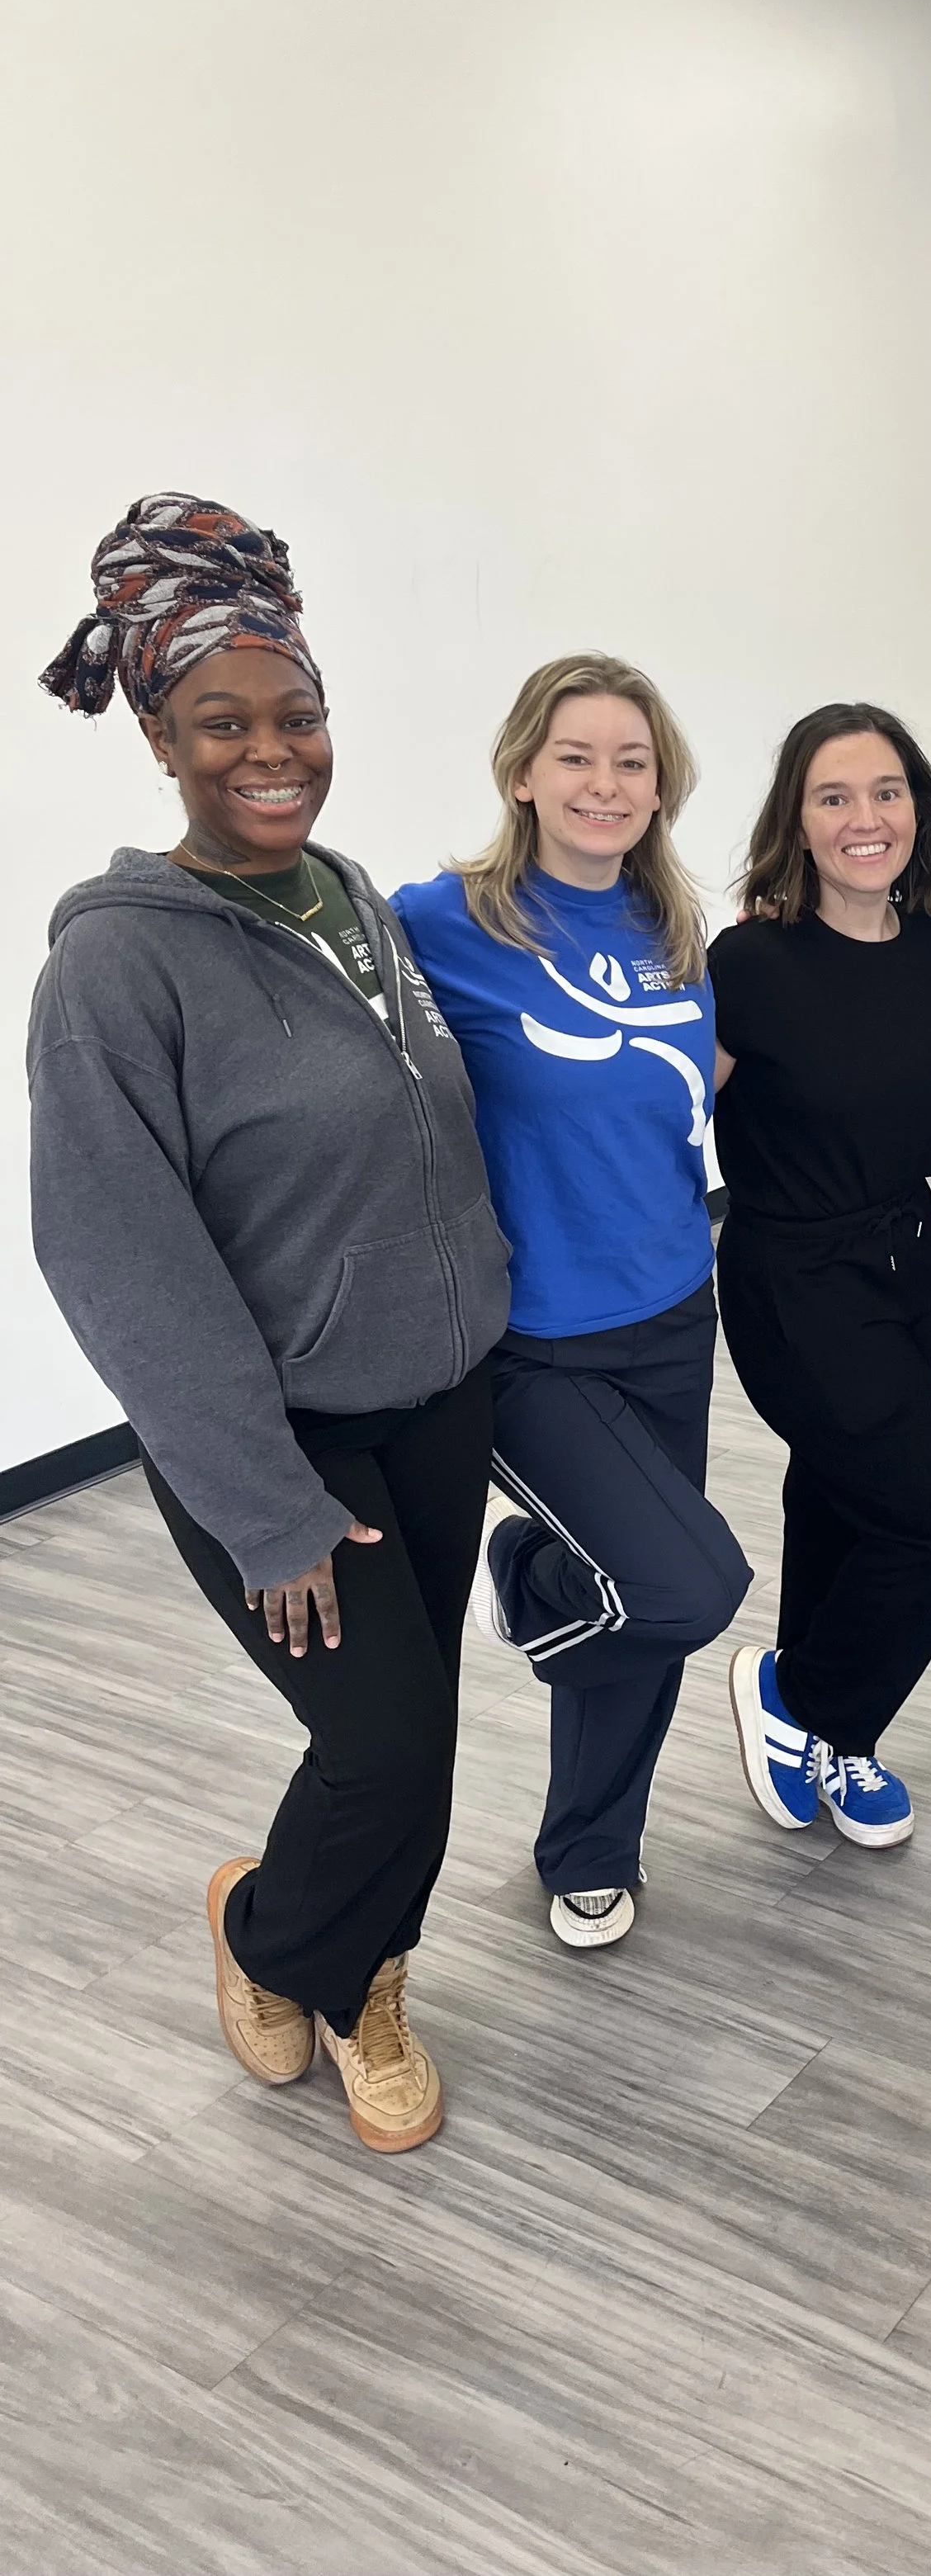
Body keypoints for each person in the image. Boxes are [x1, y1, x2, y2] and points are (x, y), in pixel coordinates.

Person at [28, 494, 510, 2152]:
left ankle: (369, 1975)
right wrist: (262, 1503)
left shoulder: (349, 895)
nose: (270, 750)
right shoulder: (115, 969)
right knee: (383, 1744)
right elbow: (116, 1257)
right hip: (282, 1440)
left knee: (417, 1730)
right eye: (223, 721)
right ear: (157, 731)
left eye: (295, 714)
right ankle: (269, 1936)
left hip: (441, 1395)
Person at [390, 655, 749, 1953]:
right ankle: (539, 1572)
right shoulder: (439, 923)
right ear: (523, 773)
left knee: (647, 1602)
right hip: (534, 1341)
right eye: (579, 757)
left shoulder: (675, 936)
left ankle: (592, 1846)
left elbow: (687, 1094)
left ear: (663, 788)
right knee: (685, 1588)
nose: (607, 785)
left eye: (632, 763)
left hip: (674, 1309)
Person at [712, 705, 931, 1846]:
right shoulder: (752, 961)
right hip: (792, 1277)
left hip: (900, 1261)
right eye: (833, 796)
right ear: (798, 819)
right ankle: (800, 1696)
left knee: (838, 1495)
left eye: (886, 792)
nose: (863, 818)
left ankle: (845, 1740)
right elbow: (656, 1106)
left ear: (919, 808)